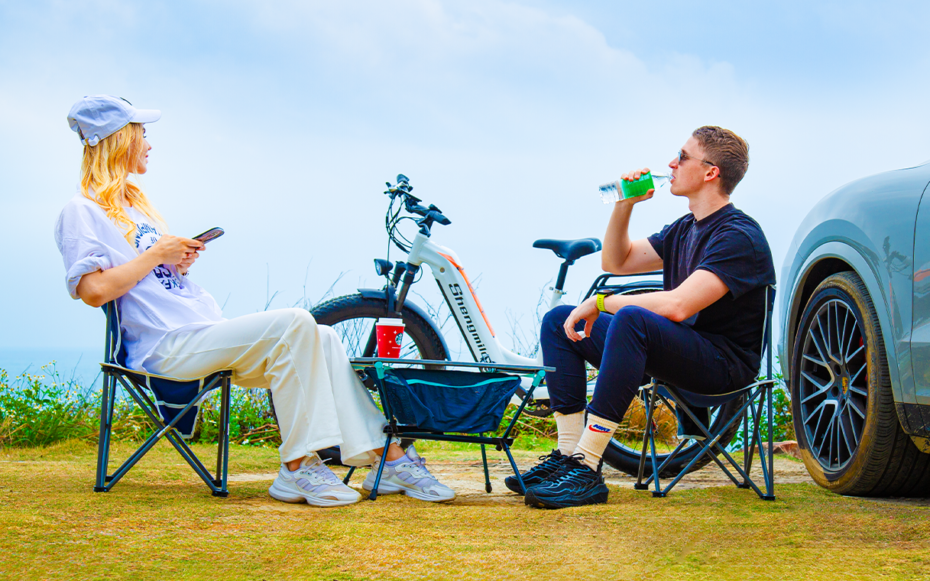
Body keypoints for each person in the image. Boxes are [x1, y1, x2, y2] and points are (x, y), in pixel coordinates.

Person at [56, 95, 455, 507]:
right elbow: (94, 292)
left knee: (322, 338)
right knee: (296, 321)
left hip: (202, 333)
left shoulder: (136, 207)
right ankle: (298, 467)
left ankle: (387, 459)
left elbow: (150, 278)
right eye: (142, 133)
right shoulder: (81, 211)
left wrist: (177, 262)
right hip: (165, 348)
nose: (149, 144)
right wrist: (157, 254)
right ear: (117, 139)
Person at [508, 126, 775, 509]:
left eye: (682, 157)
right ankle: (569, 456)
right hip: (672, 352)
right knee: (559, 321)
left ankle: (587, 467)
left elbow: (679, 306)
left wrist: (601, 302)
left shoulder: (737, 236)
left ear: (710, 172)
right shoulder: (684, 229)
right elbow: (615, 261)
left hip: (721, 367)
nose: (671, 163)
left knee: (632, 316)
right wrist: (625, 205)